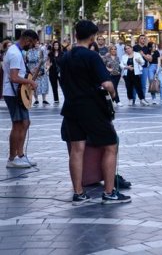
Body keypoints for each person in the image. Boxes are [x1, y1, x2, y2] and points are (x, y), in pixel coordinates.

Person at [59, 20, 131, 205]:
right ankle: (108, 192)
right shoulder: (92, 57)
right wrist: (113, 93)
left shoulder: (65, 57)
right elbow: (107, 84)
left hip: (71, 108)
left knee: (76, 150)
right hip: (91, 109)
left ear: (75, 35)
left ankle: (79, 193)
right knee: (110, 145)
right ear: (92, 37)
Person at [2, 30, 39, 168]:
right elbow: (14, 77)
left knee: (25, 123)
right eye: (33, 43)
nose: (32, 46)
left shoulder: (15, 51)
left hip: (16, 92)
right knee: (18, 124)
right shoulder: (15, 53)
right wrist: (30, 82)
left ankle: (20, 155)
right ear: (28, 40)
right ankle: (12, 158)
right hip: (13, 93)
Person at [26, 41, 50, 107]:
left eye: (38, 43)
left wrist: (41, 63)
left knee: (43, 84)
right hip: (33, 69)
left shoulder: (42, 50)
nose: (36, 45)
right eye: (35, 43)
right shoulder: (30, 50)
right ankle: (36, 99)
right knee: (34, 84)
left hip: (41, 68)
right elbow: (29, 59)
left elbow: (45, 58)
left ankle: (44, 99)